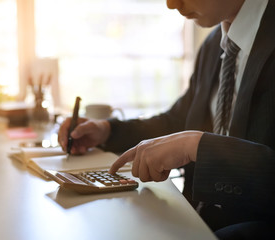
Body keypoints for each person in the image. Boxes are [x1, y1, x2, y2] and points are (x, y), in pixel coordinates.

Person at [58, 0, 275, 238]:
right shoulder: (216, 43)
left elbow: (188, 139)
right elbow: (177, 122)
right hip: (194, 220)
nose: (172, 4)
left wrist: (196, 146)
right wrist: (107, 130)